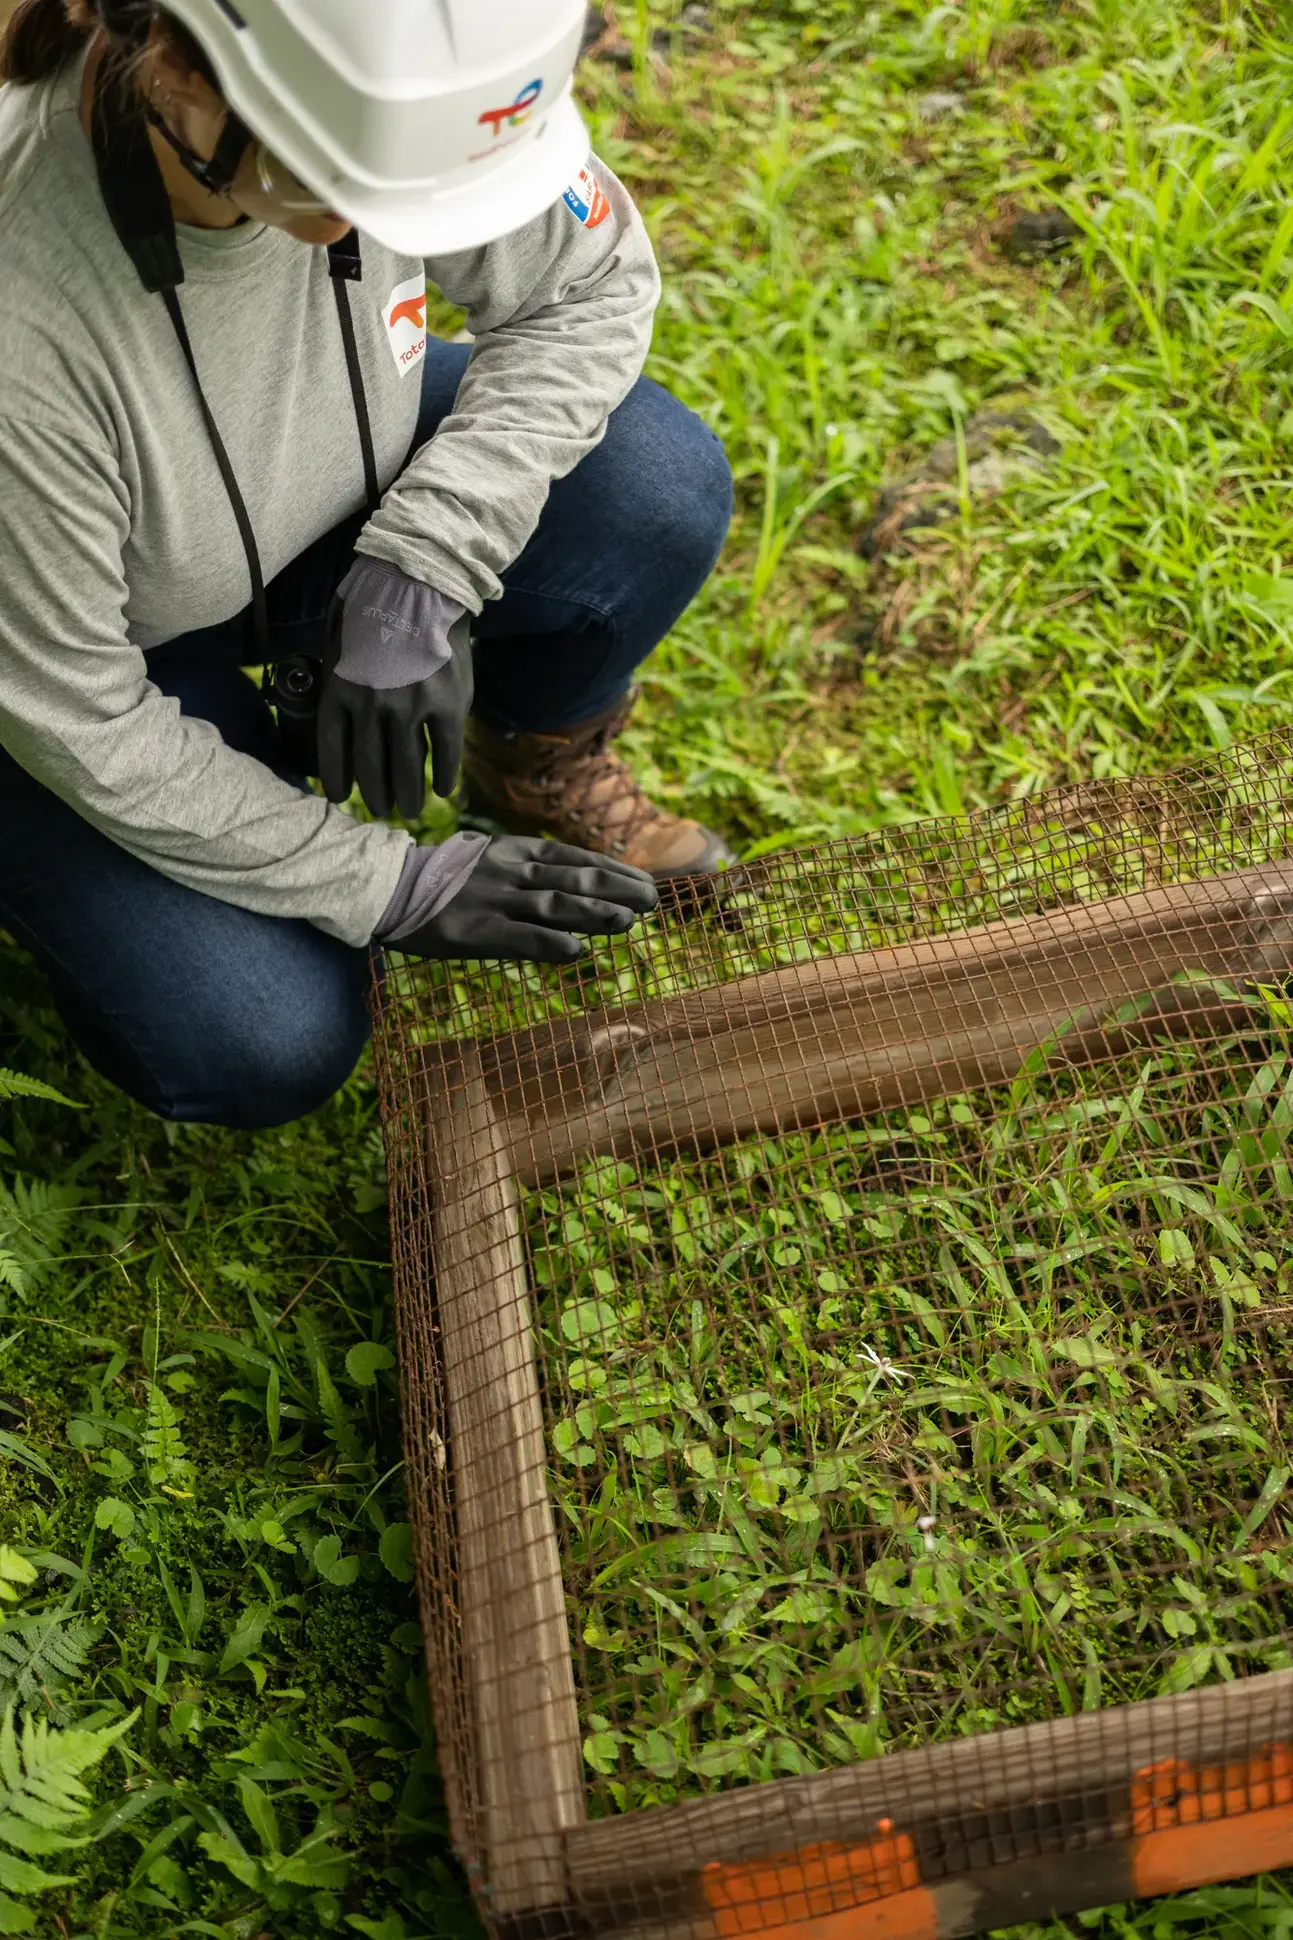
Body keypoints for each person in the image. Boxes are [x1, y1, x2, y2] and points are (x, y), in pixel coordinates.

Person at [0, 0, 735, 1129]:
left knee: (652, 487)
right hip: (44, 661)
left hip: (275, 499)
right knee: (257, 1030)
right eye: (356, 185)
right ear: (179, 73)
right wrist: (387, 882)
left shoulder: (411, 72)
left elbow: (587, 284)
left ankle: (527, 762)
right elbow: (72, 712)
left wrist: (426, 562)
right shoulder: (24, 318)